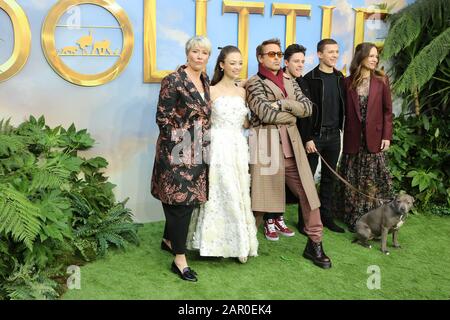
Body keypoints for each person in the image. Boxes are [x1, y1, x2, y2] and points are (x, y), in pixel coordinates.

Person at [246, 38, 331, 269]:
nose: (275, 57)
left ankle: (315, 244)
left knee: (309, 195)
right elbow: (265, 114)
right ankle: (247, 242)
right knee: (259, 202)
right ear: (260, 58)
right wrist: (292, 111)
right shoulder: (253, 83)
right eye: (270, 54)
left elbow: (308, 108)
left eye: (278, 54)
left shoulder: (290, 80)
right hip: (266, 147)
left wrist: (282, 104)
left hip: (292, 148)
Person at [187, 46, 258, 263]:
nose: (237, 67)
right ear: (221, 65)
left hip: (237, 145)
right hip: (217, 146)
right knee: (219, 191)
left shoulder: (243, 92)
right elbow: (200, 122)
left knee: (238, 191)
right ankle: (210, 244)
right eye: (232, 63)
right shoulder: (210, 90)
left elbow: (245, 122)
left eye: (240, 63)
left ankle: (239, 243)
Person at [151, 36, 212, 282]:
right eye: (195, 51)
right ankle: (179, 259)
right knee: (179, 203)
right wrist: (183, 142)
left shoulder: (205, 80)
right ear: (188, 54)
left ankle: (169, 239)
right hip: (177, 152)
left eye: (204, 53)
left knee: (187, 202)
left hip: (199, 151)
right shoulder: (173, 80)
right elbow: (162, 119)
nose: (199, 56)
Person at [337, 42, 394, 232]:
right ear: (360, 57)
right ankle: (353, 217)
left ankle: (376, 219)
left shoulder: (382, 80)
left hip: (375, 139)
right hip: (353, 140)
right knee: (353, 178)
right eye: (371, 56)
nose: (374, 59)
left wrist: (386, 136)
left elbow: (387, 111)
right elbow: (341, 111)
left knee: (372, 180)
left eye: (376, 57)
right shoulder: (347, 82)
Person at [296, 39, 346, 234]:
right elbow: (305, 113)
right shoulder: (310, 79)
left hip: (334, 136)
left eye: (336, 52)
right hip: (314, 137)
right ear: (319, 54)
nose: (334, 55)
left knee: (329, 180)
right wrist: (307, 137)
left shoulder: (340, 78)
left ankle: (326, 217)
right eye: (330, 52)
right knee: (307, 181)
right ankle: (305, 221)